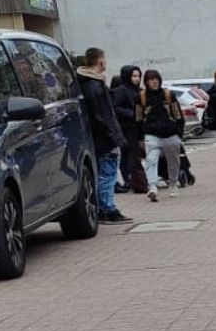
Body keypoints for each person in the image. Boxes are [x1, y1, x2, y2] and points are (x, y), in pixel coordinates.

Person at [77, 48, 130, 224]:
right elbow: (103, 115)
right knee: (107, 174)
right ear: (100, 62)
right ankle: (108, 209)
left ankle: (103, 208)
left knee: (102, 174)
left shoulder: (85, 83)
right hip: (103, 139)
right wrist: (115, 136)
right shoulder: (95, 86)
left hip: (95, 138)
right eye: (104, 60)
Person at [137, 70, 185, 202]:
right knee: (151, 160)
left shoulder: (168, 95)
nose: (154, 81)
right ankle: (152, 187)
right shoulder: (141, 97)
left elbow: (178, 114)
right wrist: (140, 136)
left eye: (156, 79)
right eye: (151, 79)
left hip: (170, 133)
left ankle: (173, 183)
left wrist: (179, 132)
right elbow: (138, 118)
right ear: (146, 82)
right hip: (151, 134)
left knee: (173, 161)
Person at [111, 66, 149, 195]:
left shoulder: (140, 91)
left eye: (138, 76)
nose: (137, 79)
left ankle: (136, 179)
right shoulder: (122, 90)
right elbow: (116, 108)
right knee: (130, 154)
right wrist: (132, 114)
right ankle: (130, 180)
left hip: (140, 127)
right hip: (128, 128)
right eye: (134, 76)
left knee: (136, 154)